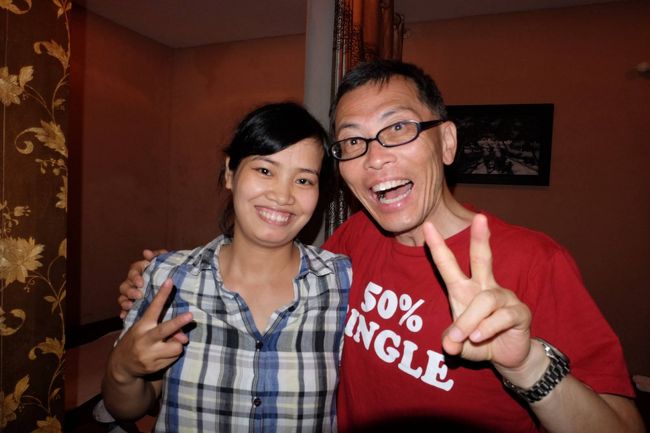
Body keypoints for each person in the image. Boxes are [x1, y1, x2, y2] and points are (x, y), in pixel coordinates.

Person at [118, 61, 645, 433]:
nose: (375, 158)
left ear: (447, 142)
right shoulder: (352, 245)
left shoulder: (534, 261)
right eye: (353, 141)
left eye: (398, 128)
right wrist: (153, 283)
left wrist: (527, 365)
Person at [103, 102, 352, 432]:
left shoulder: (342, 282)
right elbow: (129, 407)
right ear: (231, 173)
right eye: (265, 170)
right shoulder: (168, 278)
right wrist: (123, 369)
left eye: (304, 180)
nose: (282, 196)